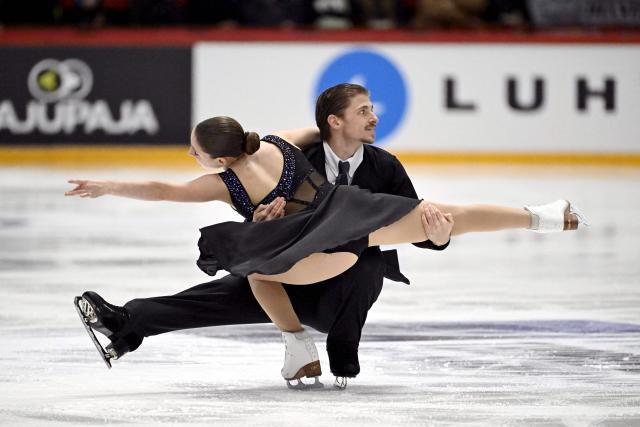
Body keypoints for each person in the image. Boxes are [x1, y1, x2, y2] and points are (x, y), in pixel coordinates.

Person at [67, 83, 587, 388]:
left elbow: (165, 190)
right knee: (238, 278)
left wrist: (440, 237)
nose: (372, 119)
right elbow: (174, 186)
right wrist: (261, 228)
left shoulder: (369, 163)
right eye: (362, 112)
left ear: (220, 158)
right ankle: (130, 323)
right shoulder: (284, 144)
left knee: (261, 260)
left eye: (196, 151)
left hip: (343, 269)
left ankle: (319, 343)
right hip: (312, 254)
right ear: (336, 122)